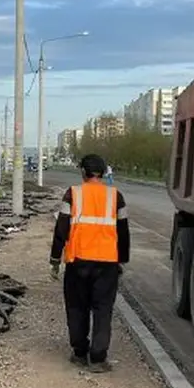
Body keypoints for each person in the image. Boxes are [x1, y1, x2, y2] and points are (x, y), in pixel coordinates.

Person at [49, 153, 130, 373]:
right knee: (103, 309)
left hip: (78, 261)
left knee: (77, 307)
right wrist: (121, 260)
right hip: (107, 264)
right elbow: (123, 232)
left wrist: (55, 259)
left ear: (83, 172)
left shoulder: (73, 194)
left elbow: (61, 229)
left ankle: (79, 353)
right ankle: (98, 358)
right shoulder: (116, 197)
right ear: (103, 173)